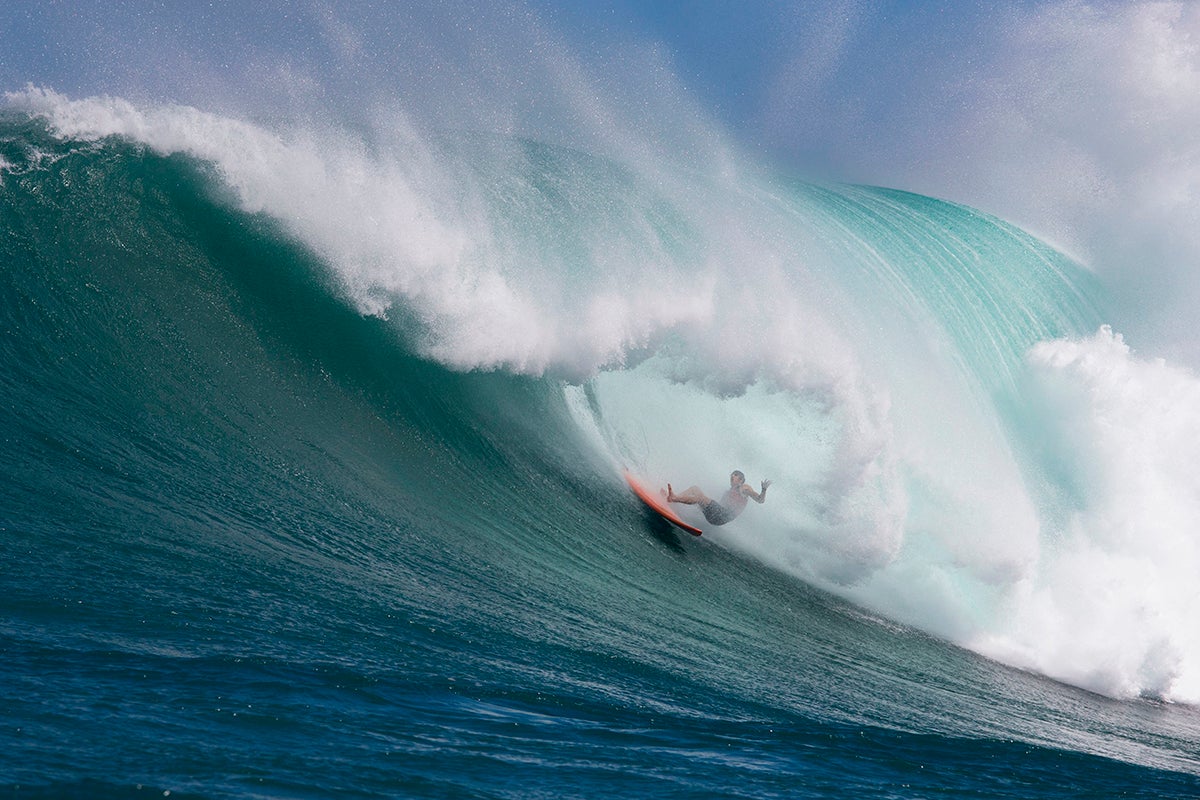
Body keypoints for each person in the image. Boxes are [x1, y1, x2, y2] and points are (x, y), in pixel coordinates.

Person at [666, 470, 771, 526]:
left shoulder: (744, 488)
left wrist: (764, 490)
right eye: (731, 475)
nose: (732, 477)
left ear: (741, 480)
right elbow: (715, 507)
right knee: (695, 489)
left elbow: (760, 500)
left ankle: (674, 498)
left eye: (735, 475)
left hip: (724, 515)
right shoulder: (728, 492)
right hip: (717, 517)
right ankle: (675, 498)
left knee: (700, 498)